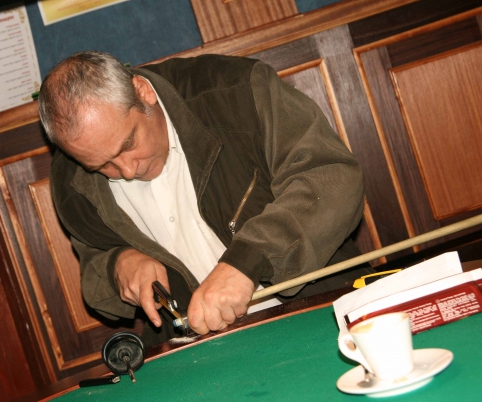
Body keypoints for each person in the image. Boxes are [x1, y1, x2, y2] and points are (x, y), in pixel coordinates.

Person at [39, 51, 371, 345]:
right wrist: (117, 265)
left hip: (322, 313)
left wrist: (248, 261)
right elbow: (94, 265)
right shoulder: (71, 178)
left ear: (143, 92)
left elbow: (330, 177)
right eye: (102, 166)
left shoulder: (235, 90)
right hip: (201, 352)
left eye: (127, 144)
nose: (126, 170)